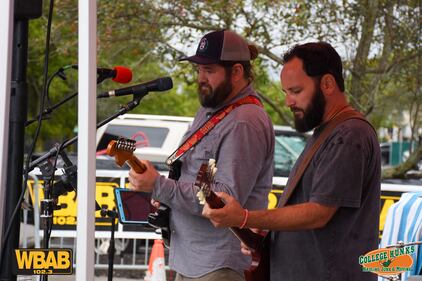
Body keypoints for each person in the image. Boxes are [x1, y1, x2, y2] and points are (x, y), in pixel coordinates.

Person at [202, 42, 381, 281]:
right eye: (285, 93)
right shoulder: (330, 132)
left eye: (296, 91)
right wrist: (267, 231)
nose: (288, 102)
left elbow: (319, 212)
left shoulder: (349, 135)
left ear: (327, 84)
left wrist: (245, 217)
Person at [128, 30, 275, 281]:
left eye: (209, 70)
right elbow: (204, 182)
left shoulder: (244, 122)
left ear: (237, 72)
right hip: (194, 259)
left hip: (218, 265)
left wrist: (160, 187)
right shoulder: (213, 111)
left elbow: (222, 201)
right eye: (199, 70)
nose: (201, 78)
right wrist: (166, 193)